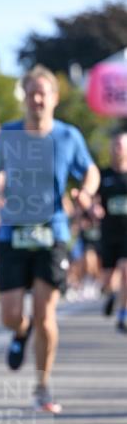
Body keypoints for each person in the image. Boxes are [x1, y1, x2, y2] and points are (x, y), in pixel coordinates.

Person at [0, 65, 100, 413]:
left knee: (45, 312)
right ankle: (20, 332)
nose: (37, 99)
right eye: (31, 93)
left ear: (54, 97)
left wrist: (85, 192)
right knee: (10, 314)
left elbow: (90, 170)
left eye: (43, 93)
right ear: (24, 97)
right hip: (13, 231)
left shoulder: (68, 136)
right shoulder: (8, 134)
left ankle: (42, 386)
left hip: (53, 232)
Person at [96, 130, 127, 332]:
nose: (118, 149)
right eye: (115, 145)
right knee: (108, 279)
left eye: (122, 146)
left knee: (125, 271)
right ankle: (112, 294)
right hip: (108, 233)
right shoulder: (103, 175)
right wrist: (93, 208)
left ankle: (123, 314)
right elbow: (94, 199)